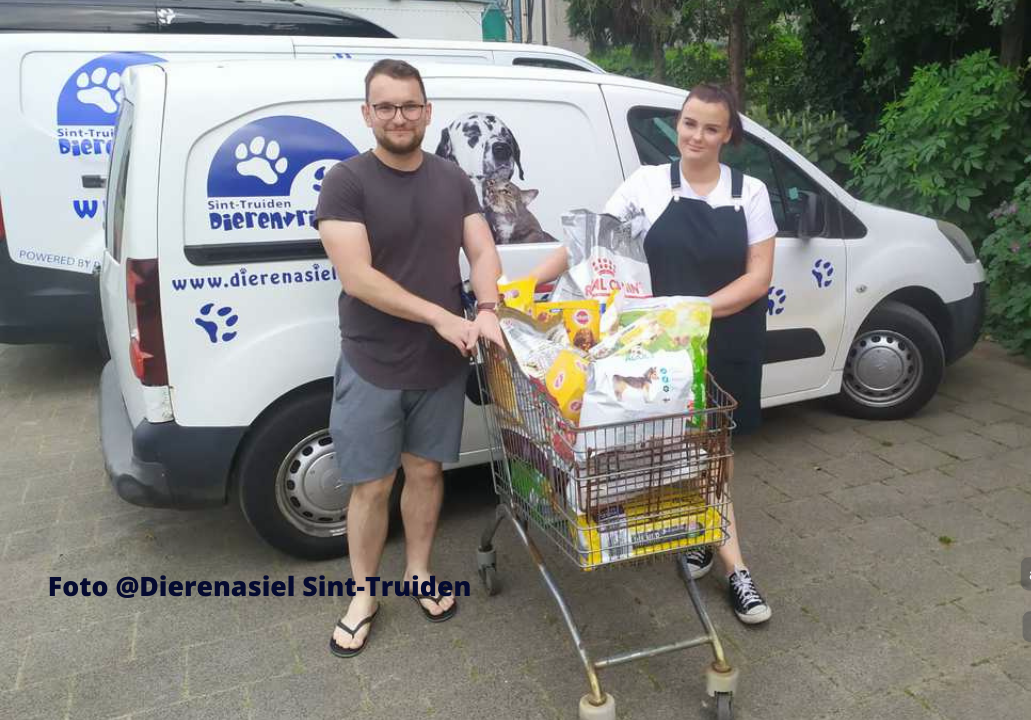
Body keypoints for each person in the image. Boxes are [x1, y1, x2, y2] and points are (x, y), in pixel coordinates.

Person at [530, 83, 775, 624]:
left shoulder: (748, 192)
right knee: (681, 446)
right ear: (678, 124)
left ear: (728, 135)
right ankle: (733, 566)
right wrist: (526, 286)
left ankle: (709, 537)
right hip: (658, 346)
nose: (697, 136)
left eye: (712, 128)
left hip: (724, 335)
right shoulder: (647, 184)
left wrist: (695, 311)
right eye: (690, 123)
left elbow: (759, 277)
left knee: (717, 449)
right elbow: (587, 242)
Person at [315, 59, 504, 657]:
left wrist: (490, 305)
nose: (400, 117)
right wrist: (445, 316)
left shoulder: (452, 178)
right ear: (368, 114)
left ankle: (419, 573)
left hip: (440, 363)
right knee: (371, 484)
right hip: (374, 359)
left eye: (411, 105)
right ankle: (364, 595)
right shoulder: (346, 181)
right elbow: (358, 277)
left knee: (425, 473)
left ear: (427, 111)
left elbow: (481, 247)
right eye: (387, 107)